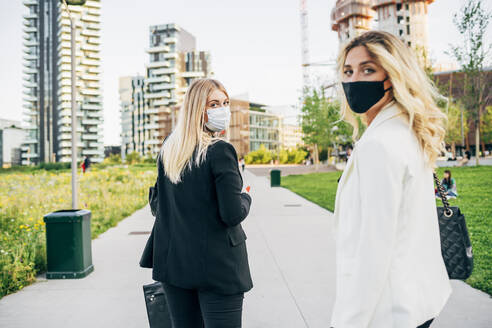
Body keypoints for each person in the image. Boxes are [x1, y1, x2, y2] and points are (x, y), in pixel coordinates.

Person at [331, 31, 452, 328]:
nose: (354, 79)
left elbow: (374, 248)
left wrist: (347, 322)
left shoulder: (379, 144)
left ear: (393, 75)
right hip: (417, 301)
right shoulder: (406, 132)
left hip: (388, 312)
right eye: (348, 71)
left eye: (368, 69)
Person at [152, 78, 252, 328]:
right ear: (198, 110)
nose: (223, 109)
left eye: (225, 103)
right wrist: (246, 197)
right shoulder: (220, 151)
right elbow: (231, 214)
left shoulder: (169, 148)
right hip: (218, 269)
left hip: (175, 267)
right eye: (214, 104)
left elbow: (157, 206)